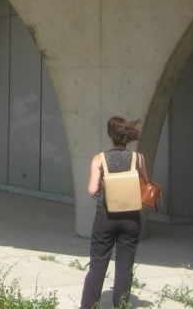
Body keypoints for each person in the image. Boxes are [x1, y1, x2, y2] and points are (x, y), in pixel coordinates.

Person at [80, 116, 146, 309]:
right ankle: (121, 305)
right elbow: (144, 184)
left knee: (98, 265)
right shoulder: (138, 158)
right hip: (132, 217)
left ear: (111, 136)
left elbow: (92, 189)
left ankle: (89, 306)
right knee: (125, 267)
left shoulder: (99, 159)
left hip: (106, 216)